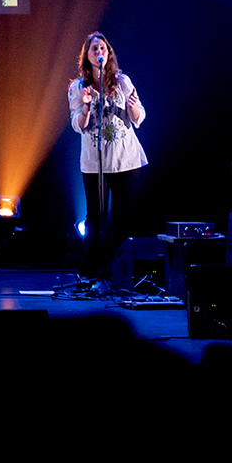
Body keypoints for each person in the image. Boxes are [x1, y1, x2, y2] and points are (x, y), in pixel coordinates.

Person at [68, 31, 147, 282]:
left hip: (126, 159)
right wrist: (86, 106)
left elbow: (139, 118)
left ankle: (122, 271)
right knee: (96, 218)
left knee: (125, 218)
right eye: (94, 49)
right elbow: (77, 124)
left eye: (102, 48)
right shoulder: (77, 87)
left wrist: (134, 107)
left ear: (108, 53)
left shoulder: (123, 82)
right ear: (87, 56)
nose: (99, 52)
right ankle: (91, 271)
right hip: (95, 163)